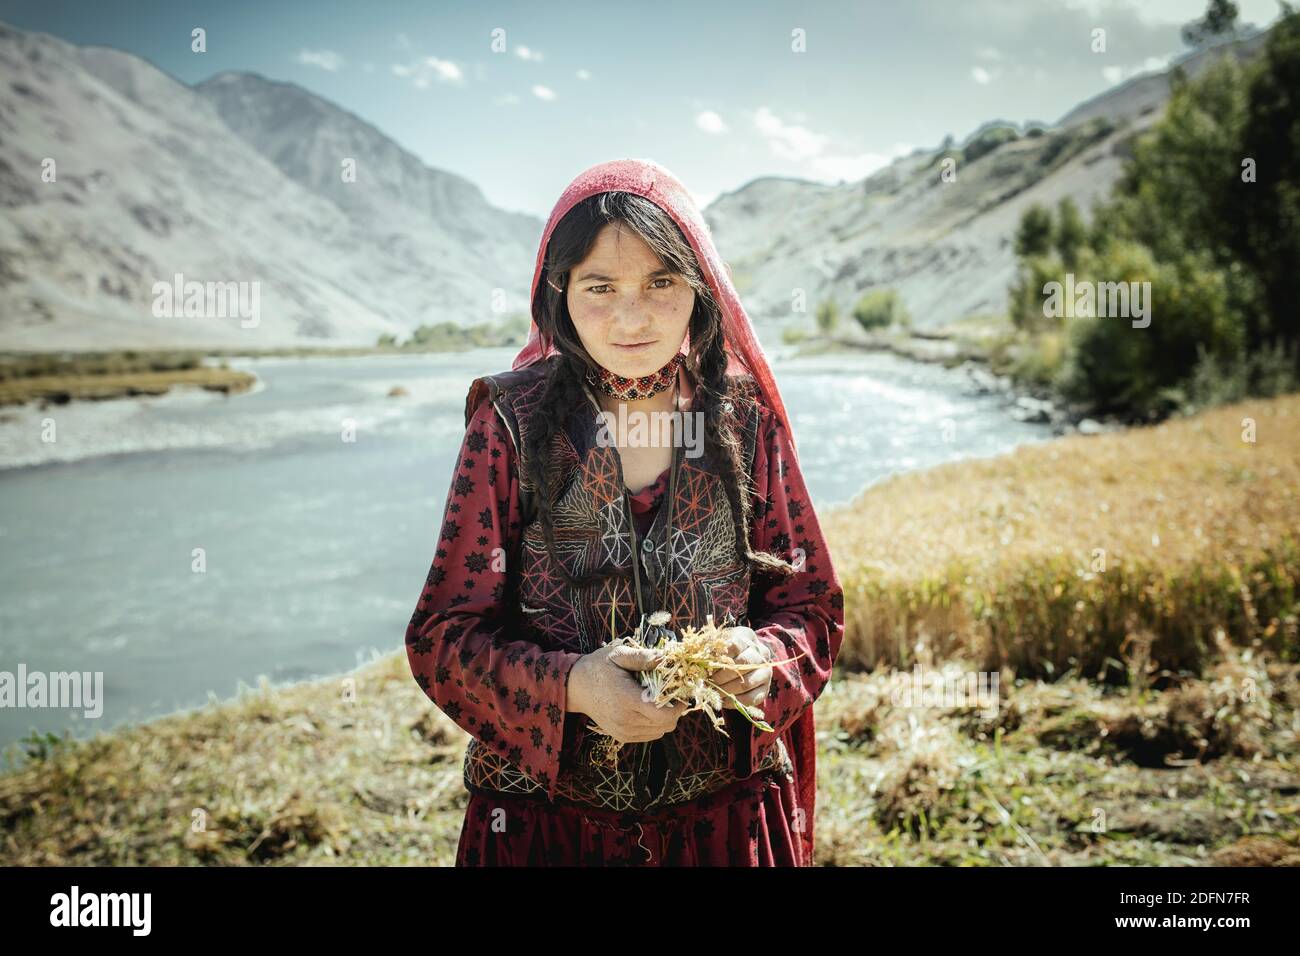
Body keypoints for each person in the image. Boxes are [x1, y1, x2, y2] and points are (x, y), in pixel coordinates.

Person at [404, 158, 843, 866]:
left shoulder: (743, 422)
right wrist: (574, 688)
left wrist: (763, 660)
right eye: (600, 287)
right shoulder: (510, 425)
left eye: (660, 283)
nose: (632, 317)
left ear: (699, 291)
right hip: (544, 833)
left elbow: (812, 608)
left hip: (722, 829)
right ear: (560, 294)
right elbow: (442, 640)